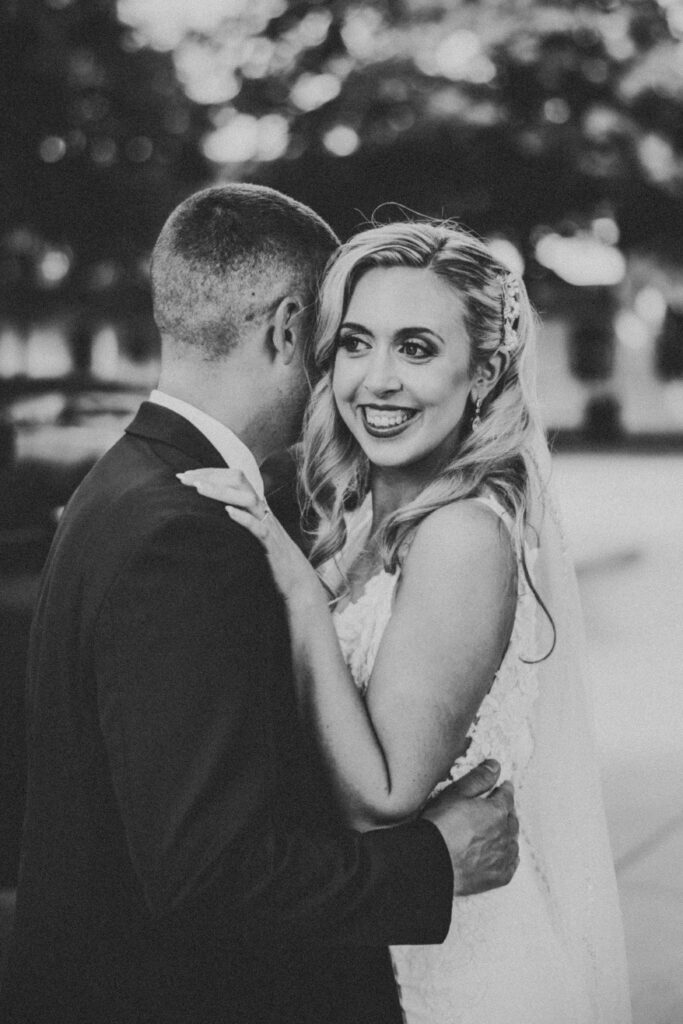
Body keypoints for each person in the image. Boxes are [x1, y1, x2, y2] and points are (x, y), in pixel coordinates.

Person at [0, 188, 520, 1024]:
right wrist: (436, 863)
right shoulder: (186, 533)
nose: (355, 373)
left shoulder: (125, 486)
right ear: (288, 328)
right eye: (341, 338)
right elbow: (209, 871)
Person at [181, 219, 632, 1023]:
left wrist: (294, 590)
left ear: (484, 370)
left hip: (454, 970)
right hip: (363, 945)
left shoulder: (462, 533)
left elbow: (380, 799)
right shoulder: (355, 516)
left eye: (416, 349)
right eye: (356, 343)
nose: (375, 380)